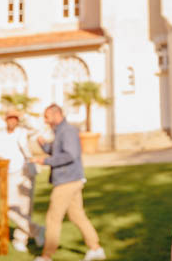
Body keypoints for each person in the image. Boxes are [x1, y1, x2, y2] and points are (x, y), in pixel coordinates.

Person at [33, 104, 105, 261]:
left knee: (53, 218)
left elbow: (69, 155)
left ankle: (46, 256)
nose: (45, 121)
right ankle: (96, 248)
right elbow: (57, 151)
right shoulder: (60, 132)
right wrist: (43, 144)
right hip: (71, 179)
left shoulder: (68, 131)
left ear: (56, 115)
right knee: (77, 216)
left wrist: (45, 161)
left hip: (67, 181)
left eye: (46, 117)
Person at [0, 107, 44, 252]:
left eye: (15, 118)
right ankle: (37, 231)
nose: (12, 120)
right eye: (10, 118)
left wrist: (24, 115)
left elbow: (37, 127)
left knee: (25, 209)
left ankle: (20, 239)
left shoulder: (23, 132)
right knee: (9, 209)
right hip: (5, 176)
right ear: (5, 119)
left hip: (24, 174)